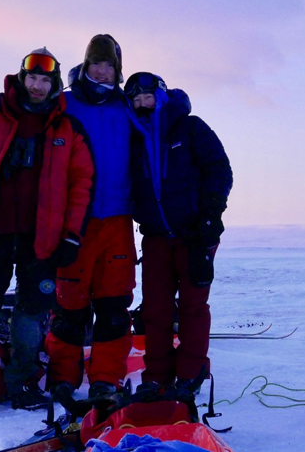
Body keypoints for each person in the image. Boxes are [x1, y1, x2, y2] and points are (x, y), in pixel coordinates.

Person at [0, 48, 94, 420]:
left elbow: (82, 184)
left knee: (31, 316)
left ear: (55, 84)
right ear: (21, 78)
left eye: (46, 80)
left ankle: (23, 384)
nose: (38, 85)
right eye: (33, 78)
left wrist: (71, 235)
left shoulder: (68, 129)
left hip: (40, 240)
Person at [124, 72, 232, 394]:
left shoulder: (190, 127)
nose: (143, 104)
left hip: (195, 234)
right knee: (155, 309)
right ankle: (157, 377)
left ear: (161, 96)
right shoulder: (132, 137)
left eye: (148, 96)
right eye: (136, 99)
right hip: (155, 237)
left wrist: (212, 215)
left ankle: (191, 374)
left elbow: (219, 168)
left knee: (192, 307)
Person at [45, 34, 136, 400]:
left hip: (118, 219)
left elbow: (161, 118)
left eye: (109, 66)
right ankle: (62, 379)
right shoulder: (62, 104)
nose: (102, 71)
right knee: (69, 307)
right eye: (96, 64)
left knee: (114, 307)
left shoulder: (127, 107)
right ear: (84, 66)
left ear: (117, 71)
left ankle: (105, 380)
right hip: (74, 222)